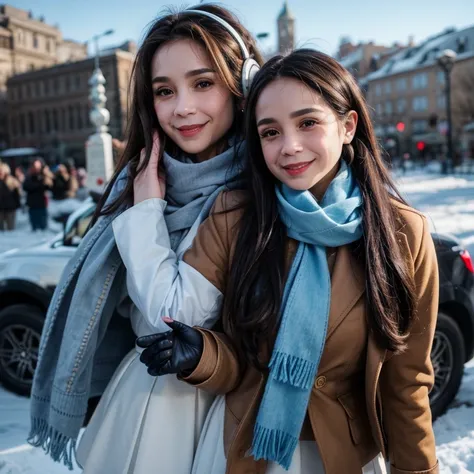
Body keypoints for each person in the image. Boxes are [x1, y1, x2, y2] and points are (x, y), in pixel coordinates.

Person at [134, 50, 440, 474]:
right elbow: (243, 364)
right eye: (270, 132)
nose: (289, 146)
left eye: (308, 122)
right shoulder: (236, 215)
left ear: (348, 125)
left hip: (346, 457)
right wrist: (202, 355)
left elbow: (406, 384)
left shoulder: (402, 233)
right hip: (249, 451)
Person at [28, 5, 263, 474]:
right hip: (136, 399)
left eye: (203, 83)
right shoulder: (138, 179)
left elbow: (168, 319)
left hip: (225, 413)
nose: (182, 108)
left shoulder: (260, 189)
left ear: (243, 87)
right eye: (164, 91)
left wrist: (148, 211)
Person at [22, 158, 53, 231]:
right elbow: (26, 187)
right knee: (35, 227)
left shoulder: (44, 176)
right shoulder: (29, 176)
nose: (36, 169)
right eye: (34, 167)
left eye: (38, 167)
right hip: (32, 205)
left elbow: (49, 185)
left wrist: (46, 174)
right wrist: (39, 185)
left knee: (43, 227)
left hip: (42, 205)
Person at [0, 163, 21, 230]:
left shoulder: (12, 180)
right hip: (0, 209)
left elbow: (17, 194)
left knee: (10, 229)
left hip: (10, 208)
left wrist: (17, 204)